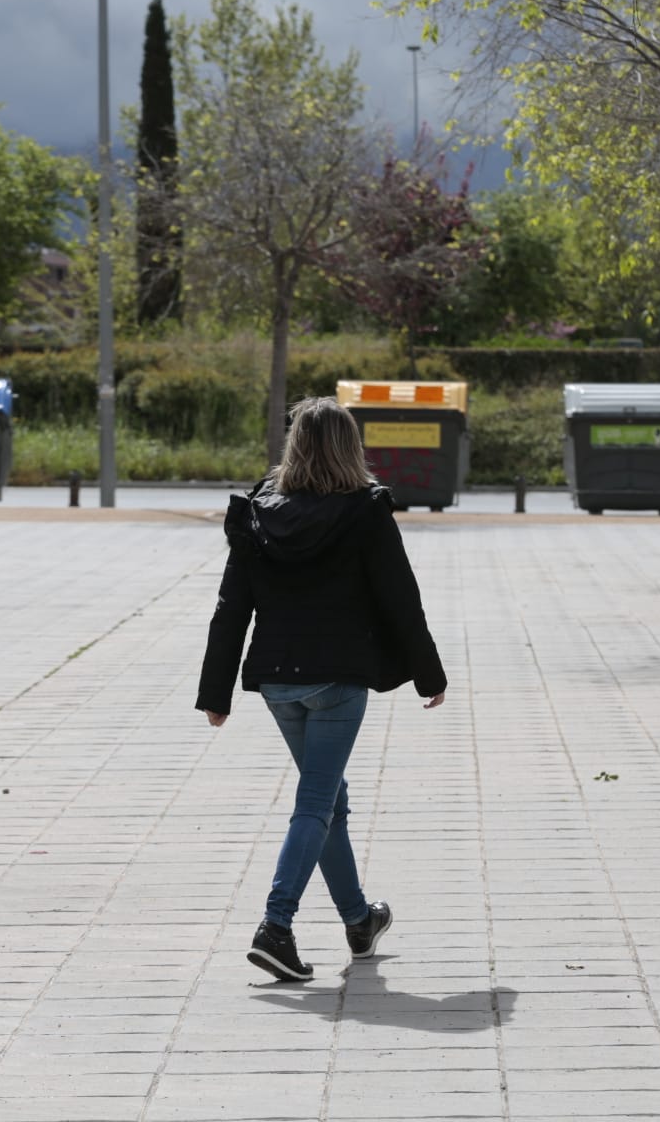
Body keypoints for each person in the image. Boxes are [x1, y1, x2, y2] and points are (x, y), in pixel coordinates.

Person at [198, 396, 447, 982]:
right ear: (349, 445)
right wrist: (429, 676)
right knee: (315, 803)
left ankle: (359, 920)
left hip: (279, 683)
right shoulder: (365, 510)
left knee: (327, 801)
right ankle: (275, 926)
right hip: (338, 678)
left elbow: (231, 605)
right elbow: (400, 598)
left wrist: (217, 691)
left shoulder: (260, 509)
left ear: (294, 445)